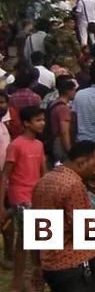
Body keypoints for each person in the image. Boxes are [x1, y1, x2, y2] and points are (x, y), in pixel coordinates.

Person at [31, 140, 95, 291]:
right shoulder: (74, 184)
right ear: (81, 162)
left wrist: (37, 264)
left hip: (51, 265)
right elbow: (85, 231)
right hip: (74, 265)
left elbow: (38, 229)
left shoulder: (44, 181)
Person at [0, 106, 47, 292]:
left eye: (43, 119)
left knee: (33, 240)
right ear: (27, 123)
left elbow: (43, 173)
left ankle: (33, 279)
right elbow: (5, 176)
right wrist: (2, 206)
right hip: (20, 196)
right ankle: (19, 282)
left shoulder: (39, 145)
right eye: (38, 120)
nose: (42, 123)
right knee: (28, 239)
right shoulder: (16, 145)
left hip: (36, 196)